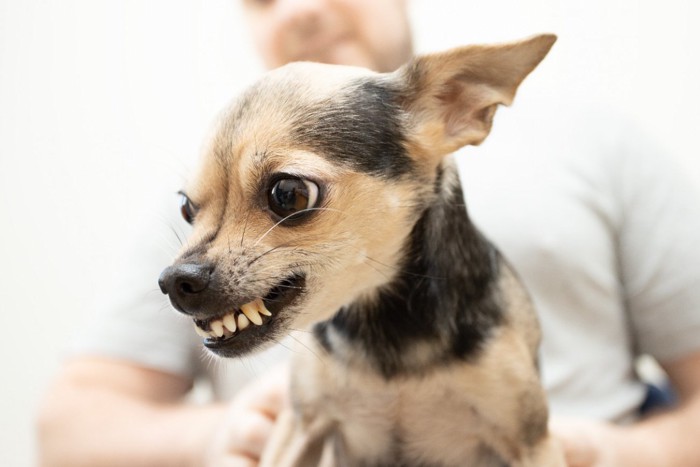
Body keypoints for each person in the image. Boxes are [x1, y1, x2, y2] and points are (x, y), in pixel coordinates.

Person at [37, 0, 700, 466]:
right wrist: (214, 440)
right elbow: (67, 426)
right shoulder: (217, 187)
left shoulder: (596, 143)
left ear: (460, 104)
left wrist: (634, 452)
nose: (297, 8)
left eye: (288, 195)